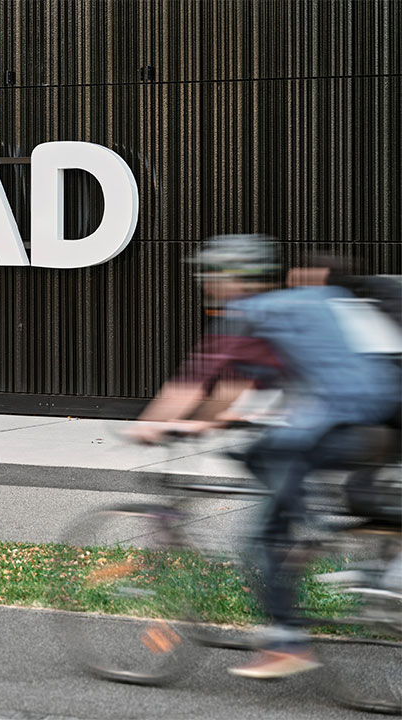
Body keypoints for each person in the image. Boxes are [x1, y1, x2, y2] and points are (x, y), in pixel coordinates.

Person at [127, 235, 401, 679]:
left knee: (256, 541)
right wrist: (210, 421)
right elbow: (240, 388)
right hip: (375, 428)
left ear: (231, 278)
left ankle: (287, 640)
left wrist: (148, 426)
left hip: (329, 430)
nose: (206, 283)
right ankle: (309, 532)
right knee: (255, 453)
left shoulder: (246, 313)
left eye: (211, 275)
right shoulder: (303, 304)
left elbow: (192, 386)